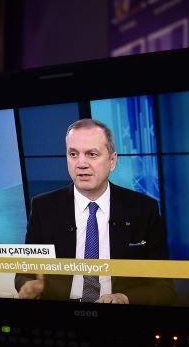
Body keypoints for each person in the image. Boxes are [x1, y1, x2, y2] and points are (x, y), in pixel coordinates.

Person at [15, 119, 176, 305]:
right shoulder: (43, 207)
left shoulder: (144, 209)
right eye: (73, 154)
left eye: (92, 154)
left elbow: (164, 287)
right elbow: (25, 273)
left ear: (112, 161)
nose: (81, 163)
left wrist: (124, 298)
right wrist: (29, 285)